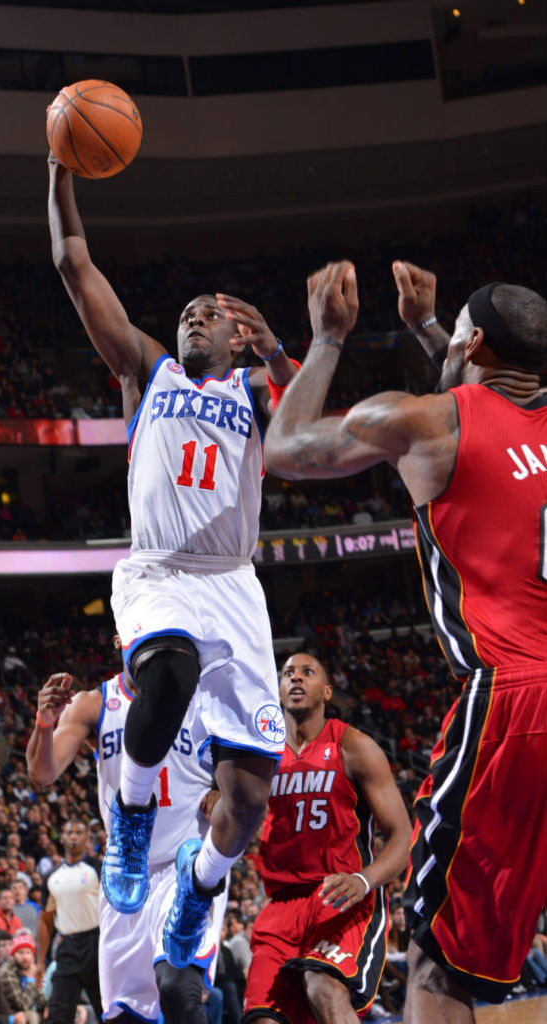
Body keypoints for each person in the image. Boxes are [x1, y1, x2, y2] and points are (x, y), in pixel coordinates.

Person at [263, 260, 547, 1019]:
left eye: (453, 333)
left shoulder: (427, 421)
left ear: (475, 343)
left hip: (519, 703)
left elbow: (285, 447)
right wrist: (432, 328)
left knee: (438, 959)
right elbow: (502, 410)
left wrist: (325, 340)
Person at [46, 153, 296, 965]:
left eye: (207, 315)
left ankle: (200, 885)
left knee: (249, 796)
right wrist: (60, 170)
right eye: (184, 312)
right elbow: (72, 260)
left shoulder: (256, 393)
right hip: (158, 572)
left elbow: (306, 432)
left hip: (234, 584)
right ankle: (132, 811)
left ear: (237, 336)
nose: (191, 319)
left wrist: (283, 351)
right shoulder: (144, 370)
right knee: (170, 670)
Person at [27, 650, 227, 1024]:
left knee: (176, 988)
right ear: (122, 639)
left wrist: (221, 789)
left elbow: (244, 771)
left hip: (187, 866)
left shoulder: (204, 701)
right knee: (126, 1015)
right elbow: (42, 774)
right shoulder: (95, 703)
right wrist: (44, 722)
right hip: (127, 873)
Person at [242, 652, 411, 1024]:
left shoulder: (354, 746)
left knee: (324, 988)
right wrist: (217, 795)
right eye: (288, 673)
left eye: (307, 672)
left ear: (327, 691)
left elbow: (402, 834)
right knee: (262, 1019)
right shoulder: (262, 755)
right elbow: (231, 803)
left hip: (341, 897)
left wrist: (364, 880)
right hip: (281, 906)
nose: (296, 678)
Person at [33, 820, 101, 1024]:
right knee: (58, 1014)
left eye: (79, 832)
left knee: (109, 1011)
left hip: (97, 944)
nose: (73, 836)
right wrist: (39, 962)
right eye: (69, 832)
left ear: (87, 837)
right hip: (68, 946)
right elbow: (45, 919)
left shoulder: (98, 868)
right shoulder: (51, 876)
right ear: (61, 837)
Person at [0, 934, 46, 1024]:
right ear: (13, 955)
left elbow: (40, 999)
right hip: (9, 1015)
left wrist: (48, 1006)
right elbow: (22, 1006)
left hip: (25, 1012)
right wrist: (30, 979)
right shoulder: (7, 972)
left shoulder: (27, 968)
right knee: (32, 1016)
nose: (25, 957)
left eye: (28, 953)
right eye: (21, 953)